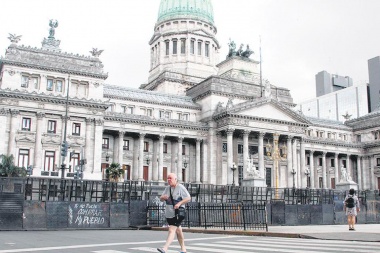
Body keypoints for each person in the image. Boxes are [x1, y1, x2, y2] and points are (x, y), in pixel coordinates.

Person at [157, 173, 191, 253]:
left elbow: (188, 198)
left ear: (175, 179)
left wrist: (179, 203)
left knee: (171, 230)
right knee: (178, 231)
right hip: (169, 213)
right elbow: (161, 198)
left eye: (170, 178)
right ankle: (183, 249)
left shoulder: (180, 187)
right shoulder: (167, 188)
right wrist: (162, 197)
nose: (169, 180)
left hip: (178, 213)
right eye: (168, 178)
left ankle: (165, 248)